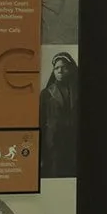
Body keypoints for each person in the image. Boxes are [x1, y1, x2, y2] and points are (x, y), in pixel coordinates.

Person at [40, 51, 78, 180]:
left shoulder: (79, 91)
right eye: (56, 68)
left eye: (64, 67)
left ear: (71, 69)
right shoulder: (46, 94)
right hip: (53, 144)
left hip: (74, 143)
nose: (60, 71)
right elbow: (41, 122)